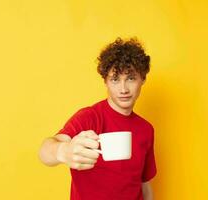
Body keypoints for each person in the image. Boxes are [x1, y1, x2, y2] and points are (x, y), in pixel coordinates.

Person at [39, 37, 157, 200]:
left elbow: (144, 184)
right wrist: (63, 151)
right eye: (115, 79)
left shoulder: (146, 129)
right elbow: (45, 151)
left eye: (130, 78)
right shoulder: (88, 118)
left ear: (142, 79)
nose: (123, 89)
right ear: (106, 82)